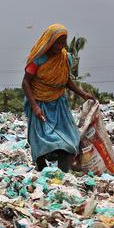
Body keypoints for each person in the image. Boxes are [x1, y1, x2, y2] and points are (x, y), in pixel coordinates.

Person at [21, 23, 95, 172]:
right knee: (42, 140)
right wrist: (35, 106)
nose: (61, 46)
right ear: (49, 42)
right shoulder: (38, 60)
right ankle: (42, 169)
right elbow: (25, 83)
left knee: (70, 139)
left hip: (59, 103)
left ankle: (63, 174)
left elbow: (66, 80)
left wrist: (83, 94)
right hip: (39, 102)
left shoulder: (65, 58)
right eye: (58, 43)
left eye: (63, 42)